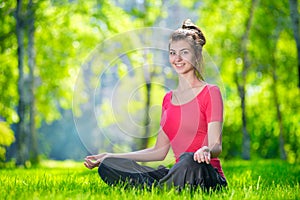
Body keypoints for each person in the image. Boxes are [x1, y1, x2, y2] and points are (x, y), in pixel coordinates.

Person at [84, 19, 227, 192]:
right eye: (173, 53)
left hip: (205, 174)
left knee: (188, 160)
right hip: (177, 173)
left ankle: (156, 188)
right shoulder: (168, 99)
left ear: (196, 55)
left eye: (184, 52)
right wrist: (110, 155)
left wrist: (206, 150)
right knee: (110, 165)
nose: (177, 59)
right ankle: (163, 186)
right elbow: (159, 151)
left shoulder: (211, 92)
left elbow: (216, 146)